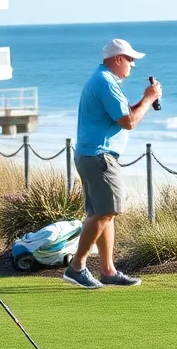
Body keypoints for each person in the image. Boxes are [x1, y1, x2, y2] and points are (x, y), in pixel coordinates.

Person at [62, 38, 163, 289]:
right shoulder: (105, 82)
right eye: (129, 60)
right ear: (118, 59)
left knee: (104, 213)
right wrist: (149, 99)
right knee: (105, 212)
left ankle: (108, 271)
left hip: (92, 154)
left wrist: (144, 100)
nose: (132, 65)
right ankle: (76, 267)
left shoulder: (104, 80)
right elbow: (128, 122)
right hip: (99, 156)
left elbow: (123, 113)